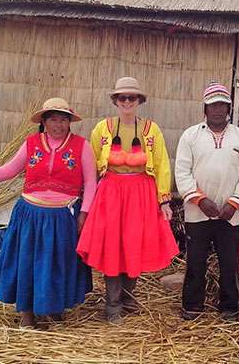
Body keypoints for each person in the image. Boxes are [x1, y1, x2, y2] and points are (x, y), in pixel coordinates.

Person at [0, 98, 95, 329]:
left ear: (70, 122)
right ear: (43, 121)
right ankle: (27, 315)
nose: (59, 125)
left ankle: (53, 310)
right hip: (29, 216)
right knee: (28, 264)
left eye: (64, 120)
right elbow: (10, 170)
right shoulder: (31, 143)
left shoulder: (82, 146)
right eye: (53, 119)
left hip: (62, 217)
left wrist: (84, 213)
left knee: (56, 265)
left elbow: (91, 182)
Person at [76, 77, 179, 324]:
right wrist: (86, 203)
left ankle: (129, 298)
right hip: (111, 192)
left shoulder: (151, 130)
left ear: (139, 101)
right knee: (113, 245)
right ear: (115, 101)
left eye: (132, 98)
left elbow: (163, 163)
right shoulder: (103, 129)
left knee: (133, 243)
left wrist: (164, 200)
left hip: (140, 192)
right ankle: (112, 304)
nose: (127, 102)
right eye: (122, 98)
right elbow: (90, 167)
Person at [175, 82, 239, 321]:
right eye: (213, 105)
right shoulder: (191, 135)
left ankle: (230, 307)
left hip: (231, 213)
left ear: (229, 108)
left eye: (223, 105)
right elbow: (182, 171)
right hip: (197, 212)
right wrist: (199, 200)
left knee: (229, 262)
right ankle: (192, 305)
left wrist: (234, 203)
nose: (218, 109)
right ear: (205, 108)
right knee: (196, 261)